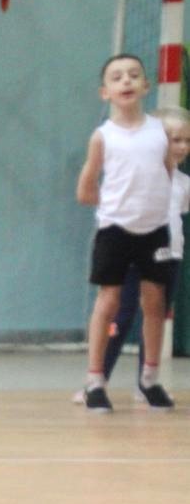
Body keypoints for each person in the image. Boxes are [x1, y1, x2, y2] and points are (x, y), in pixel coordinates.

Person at [74, 53, 177, 413]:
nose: (127, 81)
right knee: (109, 302)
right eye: (117, 77)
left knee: (154, 304)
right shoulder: (103, 136)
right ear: (106, 92)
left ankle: (149, 380)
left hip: (154, 231)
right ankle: (95, 382)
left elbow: (167, 175)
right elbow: (86, 189)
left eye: (134, 75)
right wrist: (114, 207)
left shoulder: (159, 131)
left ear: (146, 85)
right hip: (116, 230)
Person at [93, 106, 190, 403]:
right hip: (134, 254)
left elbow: (177, 214)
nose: (182, 147)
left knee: (156, 316)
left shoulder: (184, 184)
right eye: (174, 140)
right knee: (120, 315)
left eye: (186, 140)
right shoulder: (138, 176)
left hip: (168, 255)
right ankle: (97, 381)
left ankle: (146, 383)